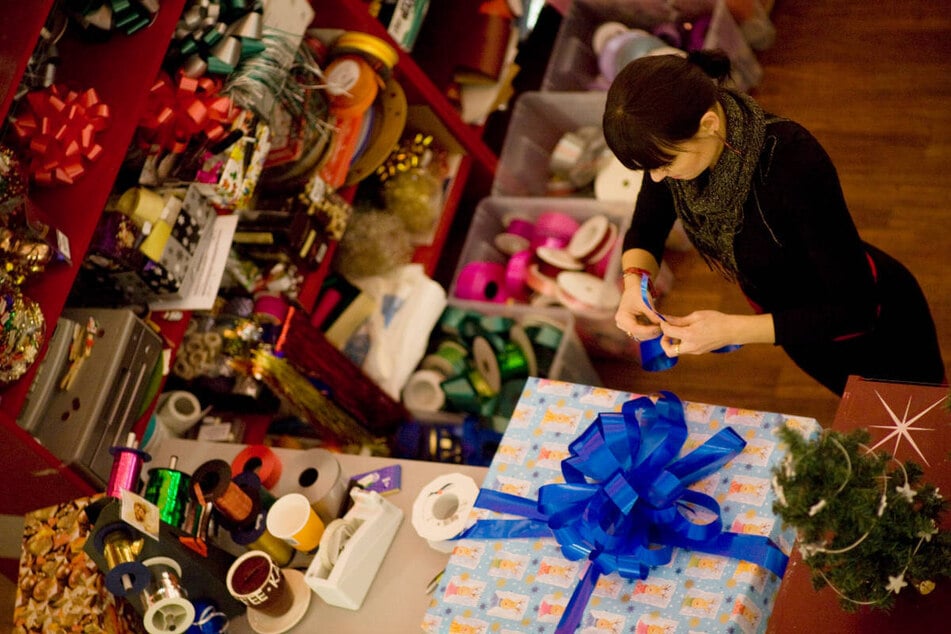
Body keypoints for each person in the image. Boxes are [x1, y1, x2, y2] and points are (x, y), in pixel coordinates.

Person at [603, 50, 945, 396]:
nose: (658, 179)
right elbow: (646, 228)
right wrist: (634, 284)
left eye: (663, 165)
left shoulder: (793, 163)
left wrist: (733, 330)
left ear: (708, 124)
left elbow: (855, 309)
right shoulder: (673, 148)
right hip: (795, 329)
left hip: (876, 330)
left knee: (919, 418)